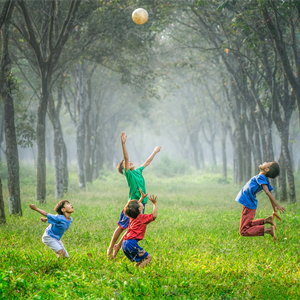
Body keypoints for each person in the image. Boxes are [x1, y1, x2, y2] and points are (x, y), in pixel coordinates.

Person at [107, 131, 161, 260]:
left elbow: (147, 162)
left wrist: (154, 151)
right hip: (132, 205)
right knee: (122, 226)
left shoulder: (137, 171)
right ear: (123, 169)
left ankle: (118, 246)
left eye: (130, 162)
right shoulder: (129, 174)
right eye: (125, 164)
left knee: (133, 227)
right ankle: (111, 247)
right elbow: (126, 158)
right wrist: (123, 143)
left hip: (141, 204)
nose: (129, 162)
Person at [235, 161, 286, 242]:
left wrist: (277, 205)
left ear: (266, 169)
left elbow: (267, 192)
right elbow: (269, 193)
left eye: (268, 163)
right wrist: (274, 210)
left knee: (243, 231)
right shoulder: (262, 178)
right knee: (247, 225)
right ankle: (267, 220)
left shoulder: (261, 177)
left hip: (248, 204)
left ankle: (269, 230)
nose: (265, 162)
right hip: (248, 203)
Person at [121, 192, 157, 268]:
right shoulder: (142, 218)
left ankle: (135, 271)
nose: (140, 202)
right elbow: (154, 216)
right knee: (148, 258)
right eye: (139, 202)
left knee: (141, 260)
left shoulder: (132, 217)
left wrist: (141, 198)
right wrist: (155, 204)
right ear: (139, 208)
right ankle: (139, 273)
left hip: (124, 244)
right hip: (131, 244)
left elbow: (134, 208)